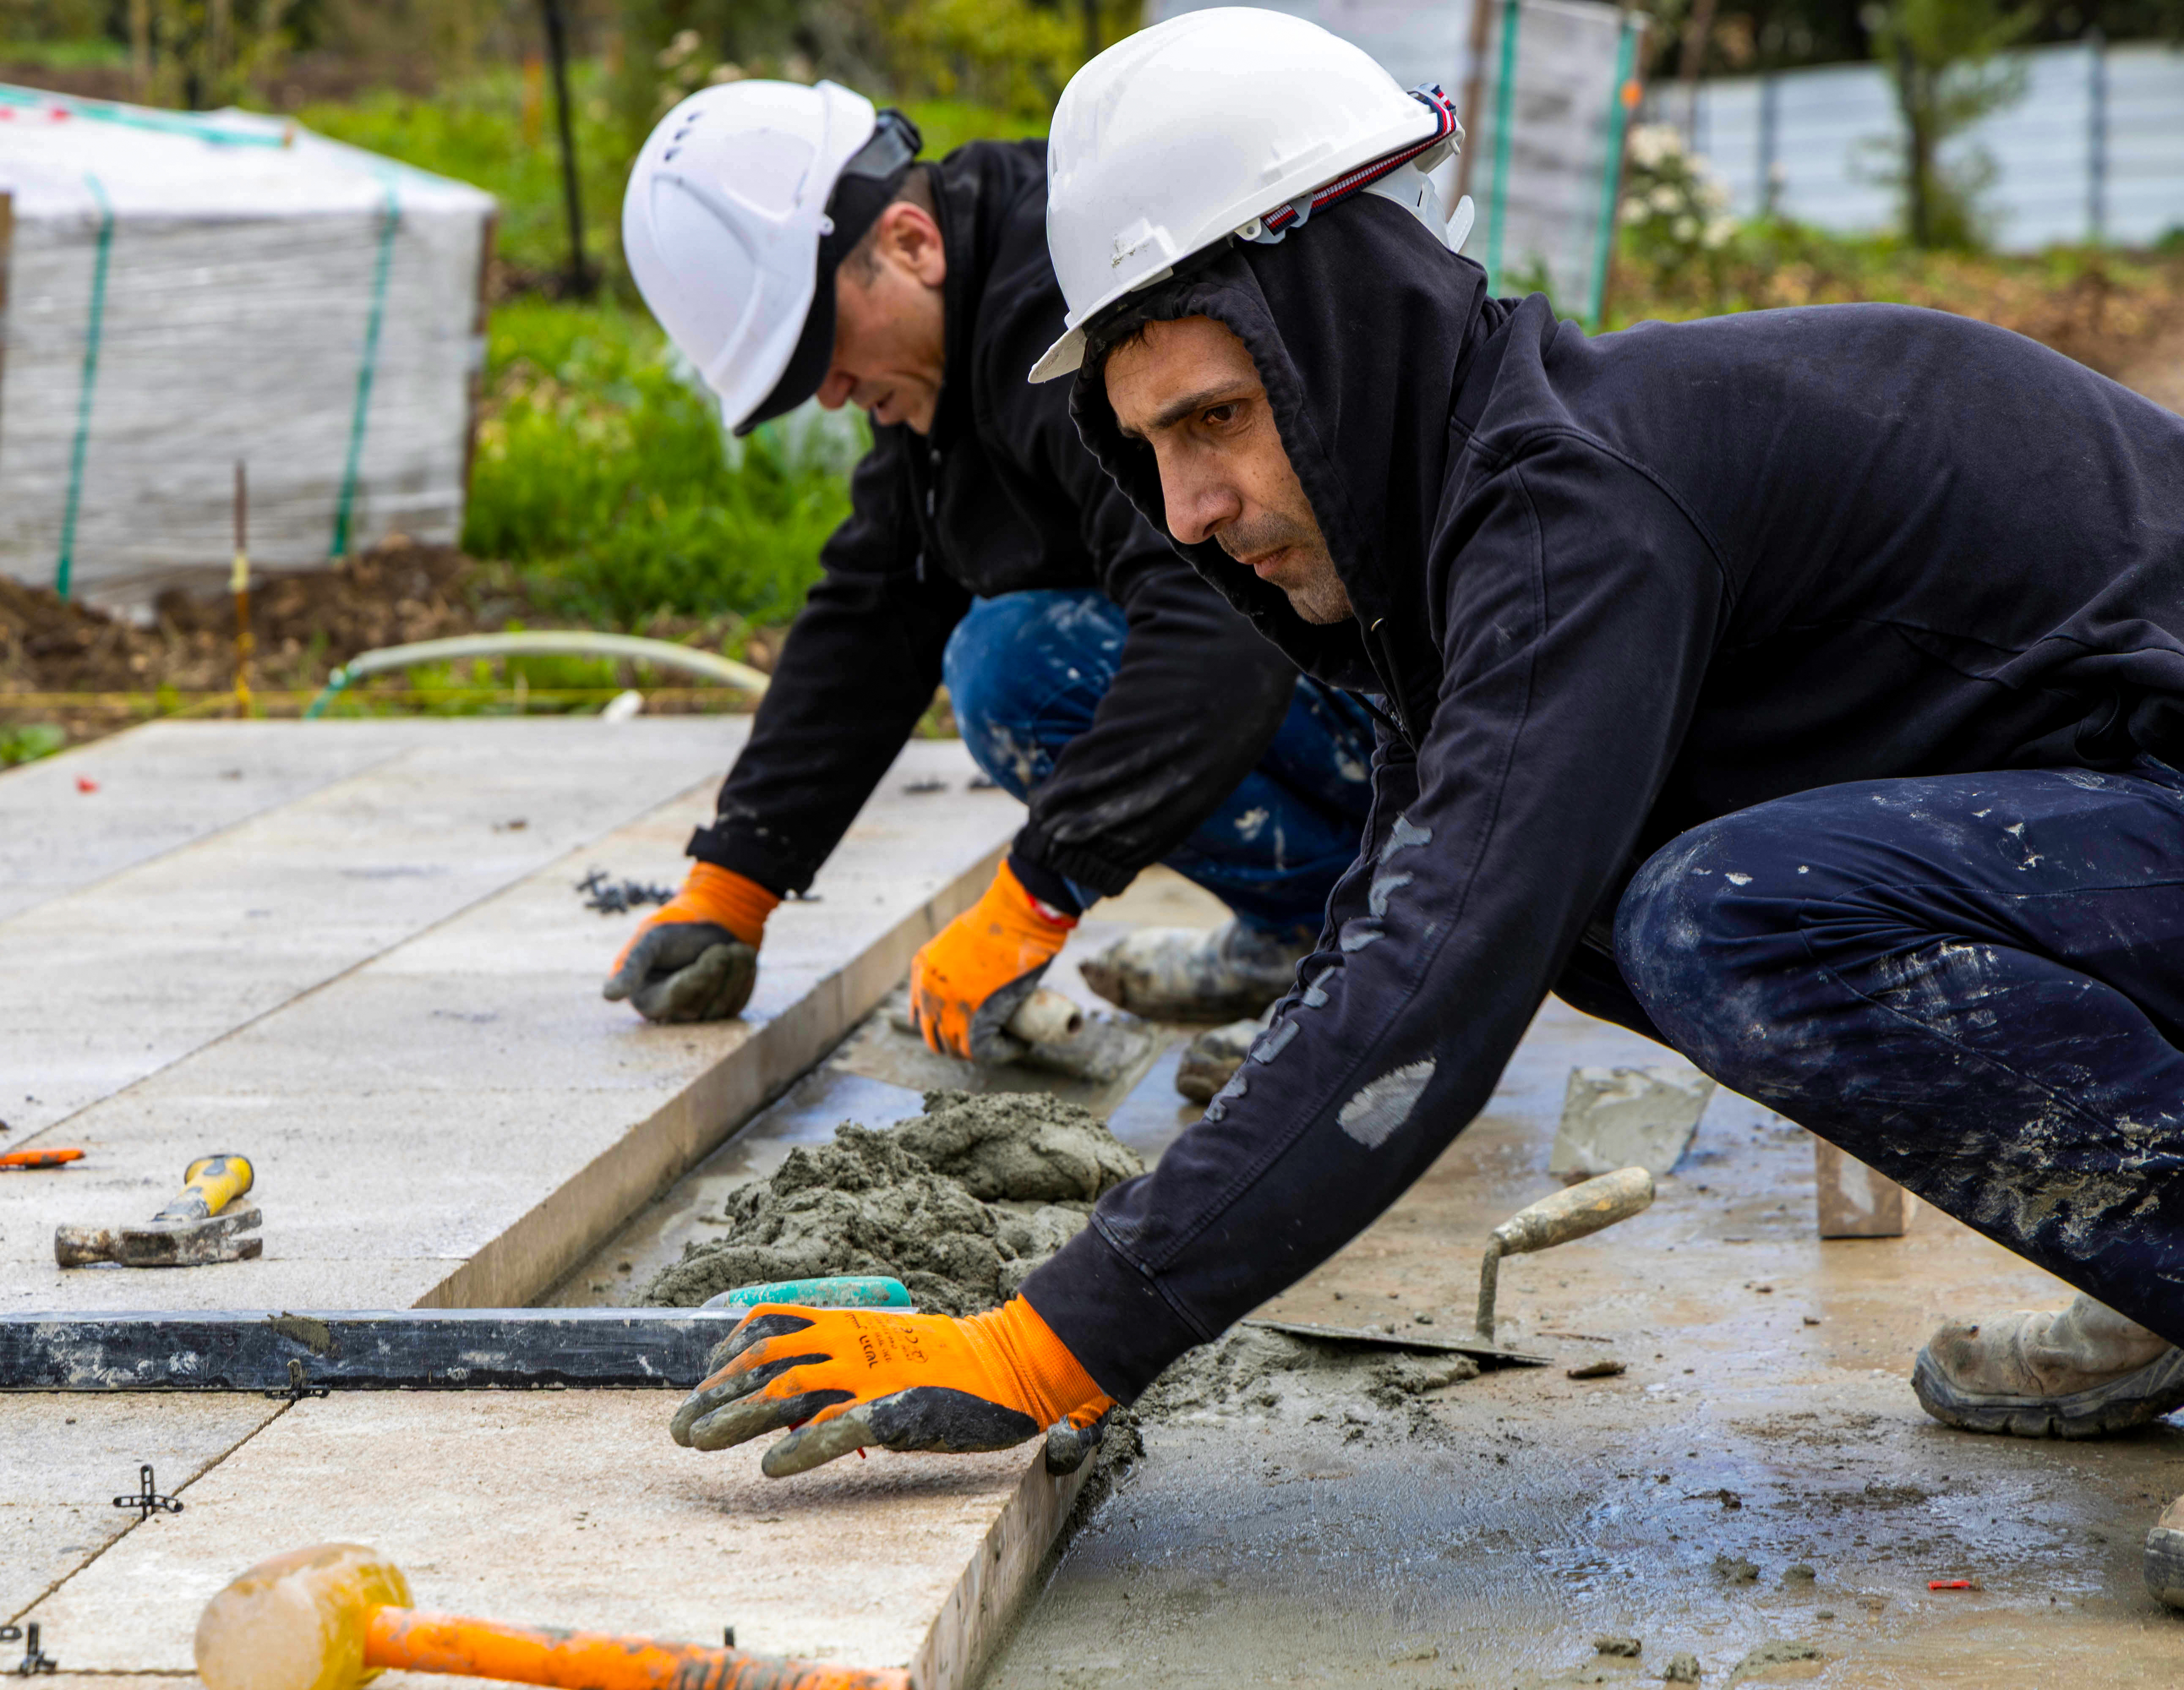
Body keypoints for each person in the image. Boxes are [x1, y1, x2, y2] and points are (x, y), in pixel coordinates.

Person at [666, 9, 2184, 1607]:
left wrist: (1055, 1346)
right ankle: (2145, 1262)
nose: (1185, 510)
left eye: (1215, 422)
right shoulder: (1483, 521)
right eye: (1149, 446)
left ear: (1340, 351)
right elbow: (1399, 922)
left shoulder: (1573, 510)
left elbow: (1431, 990)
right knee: (1603, 901)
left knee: (1719, 914)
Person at [604, 78, 1387, 1058]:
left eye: (822, 351)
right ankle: (1318, 935)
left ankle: (1375, 942)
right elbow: (878, 606)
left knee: (1013, 665)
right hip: (1339, 681)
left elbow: (1213, 624)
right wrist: (737, 877)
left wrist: (1035, 894)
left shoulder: (1074, 311)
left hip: (1416, 699)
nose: (832, 392)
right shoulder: (954, 343)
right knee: (1002, 651)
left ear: (908, 244)